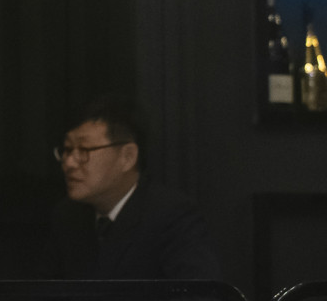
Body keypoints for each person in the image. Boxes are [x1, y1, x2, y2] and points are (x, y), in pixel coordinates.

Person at [49, 98, 221, 280]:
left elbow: (198, 294)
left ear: (128, 157)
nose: (69, 163)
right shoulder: (67, 215)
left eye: (84, 150)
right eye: (67, 149)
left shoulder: (172, 217)